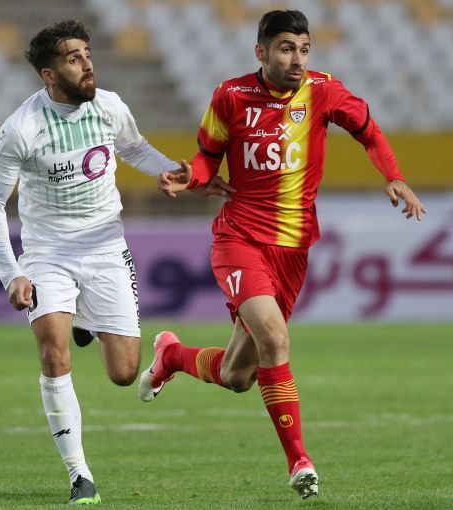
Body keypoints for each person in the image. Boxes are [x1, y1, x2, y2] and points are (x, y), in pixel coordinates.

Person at [137, 9, 426, 500]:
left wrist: (393, 175)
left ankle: (171, 356)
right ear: (262, 51)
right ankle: (300, 462)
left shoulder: (323, 91)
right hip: (239, 238)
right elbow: (207, 156)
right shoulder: (231, 96)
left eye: (305, 49)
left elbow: (369, 131)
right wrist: (194, 178)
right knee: (275, 337)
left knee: (238, 375)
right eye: (287, 48)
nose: (298, 59)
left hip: (292, 249)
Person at [0, 20, 227, 505]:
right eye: (73, 59)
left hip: (107, 248)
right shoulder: (21, 129)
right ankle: (79, 475)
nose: (87, 64)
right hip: (48, 253)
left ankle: (115, 335)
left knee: (123, 373)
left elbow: (134, 147)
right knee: (53, 354)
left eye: (87, 54)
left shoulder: (109, 106)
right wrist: (13, 273)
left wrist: (178, 174)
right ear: (49, 75)